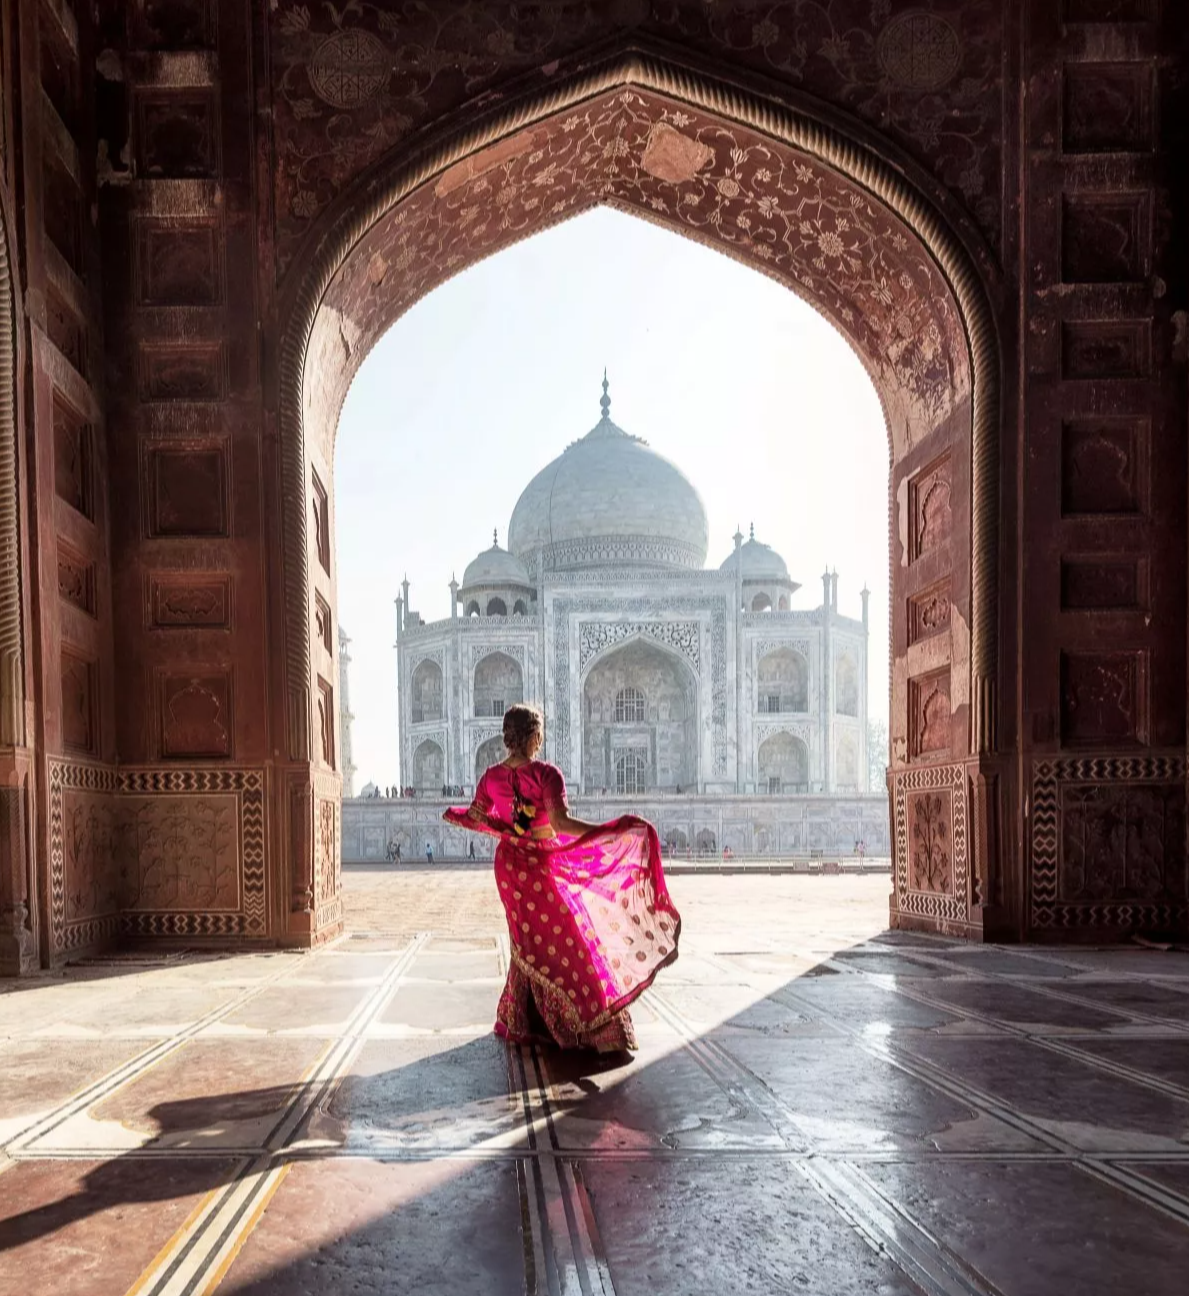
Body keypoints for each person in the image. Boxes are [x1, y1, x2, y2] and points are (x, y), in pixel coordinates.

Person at [444, 703, 680, 1052]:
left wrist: (490, 826)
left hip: (510, 865)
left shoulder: (490, 777)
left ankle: (524, 1018)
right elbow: (561, 825)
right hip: (539, 862)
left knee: (529, 942)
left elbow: (478, 817)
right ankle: (587, 1024)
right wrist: (606, 831)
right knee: (567, 935)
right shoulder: (545, 774)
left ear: (508, 737)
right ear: (536, 736)